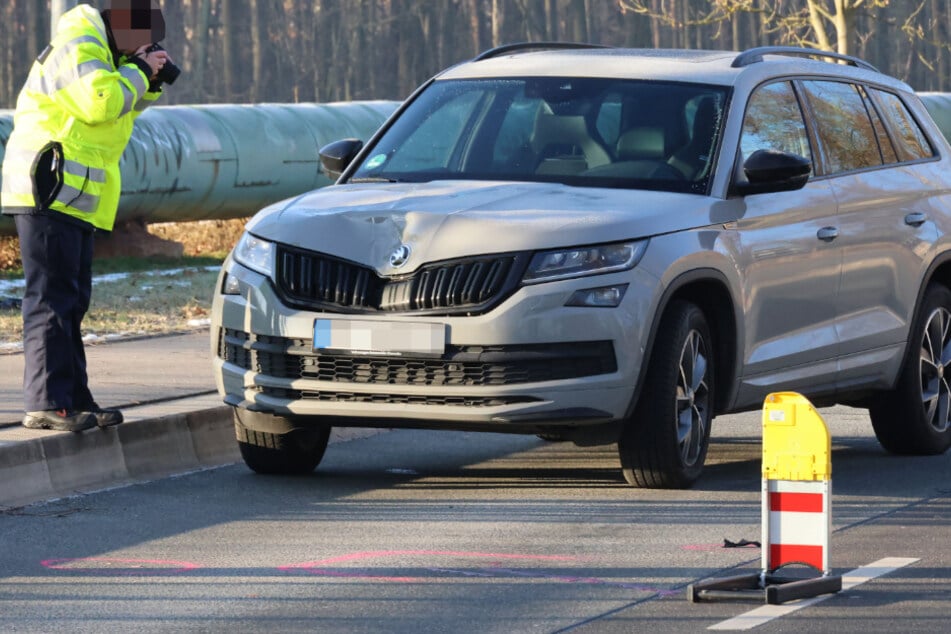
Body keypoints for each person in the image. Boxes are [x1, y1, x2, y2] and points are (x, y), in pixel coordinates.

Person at [0, 1, 174, 432]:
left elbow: (119, 108)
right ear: (118, 26)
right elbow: (101, 101)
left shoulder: (104, 51)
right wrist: (138, 70)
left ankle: (75, 398)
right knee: (51, 299)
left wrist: (147, 78)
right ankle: (47, 402)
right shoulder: (81, 40)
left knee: (72, 301)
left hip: (72, 194)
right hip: (48, 187)